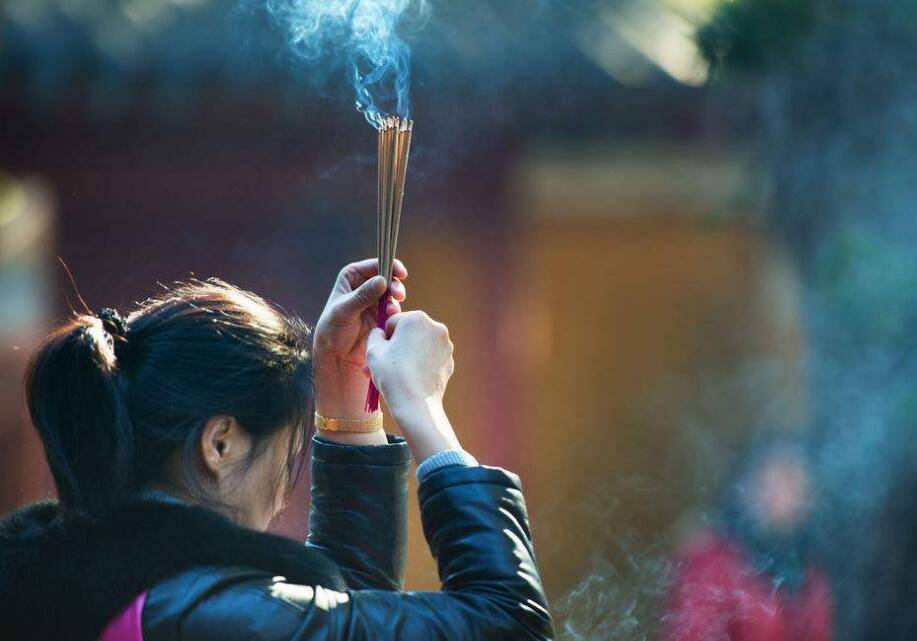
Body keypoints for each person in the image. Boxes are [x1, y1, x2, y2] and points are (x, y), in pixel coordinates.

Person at [0, 258, 553, 641]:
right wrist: (421, 406)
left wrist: (345, 399)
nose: (280, 496)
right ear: (219, 444)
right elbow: (508, 625)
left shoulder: (102, 582)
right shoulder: (206, 614)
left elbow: (334, 615)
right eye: (287, 456)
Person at [662, 439, 832, 641]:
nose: (791, 494)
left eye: (798, 484)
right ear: (749, 489)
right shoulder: (711, 561)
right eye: (778, 482)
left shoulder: (807, 571)